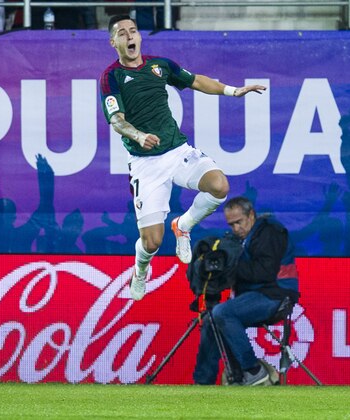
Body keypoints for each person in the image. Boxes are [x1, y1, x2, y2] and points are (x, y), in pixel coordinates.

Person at [99, 15, 266, 301]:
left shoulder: (159, 66)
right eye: (122, 33)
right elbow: (116, 120)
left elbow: (197, 81)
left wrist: (233, 91)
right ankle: (141, 269)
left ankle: (184, 225)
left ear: (139, 37)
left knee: (219, 186)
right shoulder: (111, 77)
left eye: (133, 31)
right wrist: (139, 136)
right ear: (114, 42)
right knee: (151, 242)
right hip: (145, 164)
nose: (130, 36)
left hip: (177, 152)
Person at [192, 196, 300, 385]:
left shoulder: (270, 232)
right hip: (254, 295)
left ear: (251, 215)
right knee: (211, 320)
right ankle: (203, 383)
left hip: (276, 294)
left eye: (239, 222)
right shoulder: (238, 238)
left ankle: (253, 371)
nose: (235, 228)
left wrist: (230, 267)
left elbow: (264, 273)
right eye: (231, 224)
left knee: (223, 312)